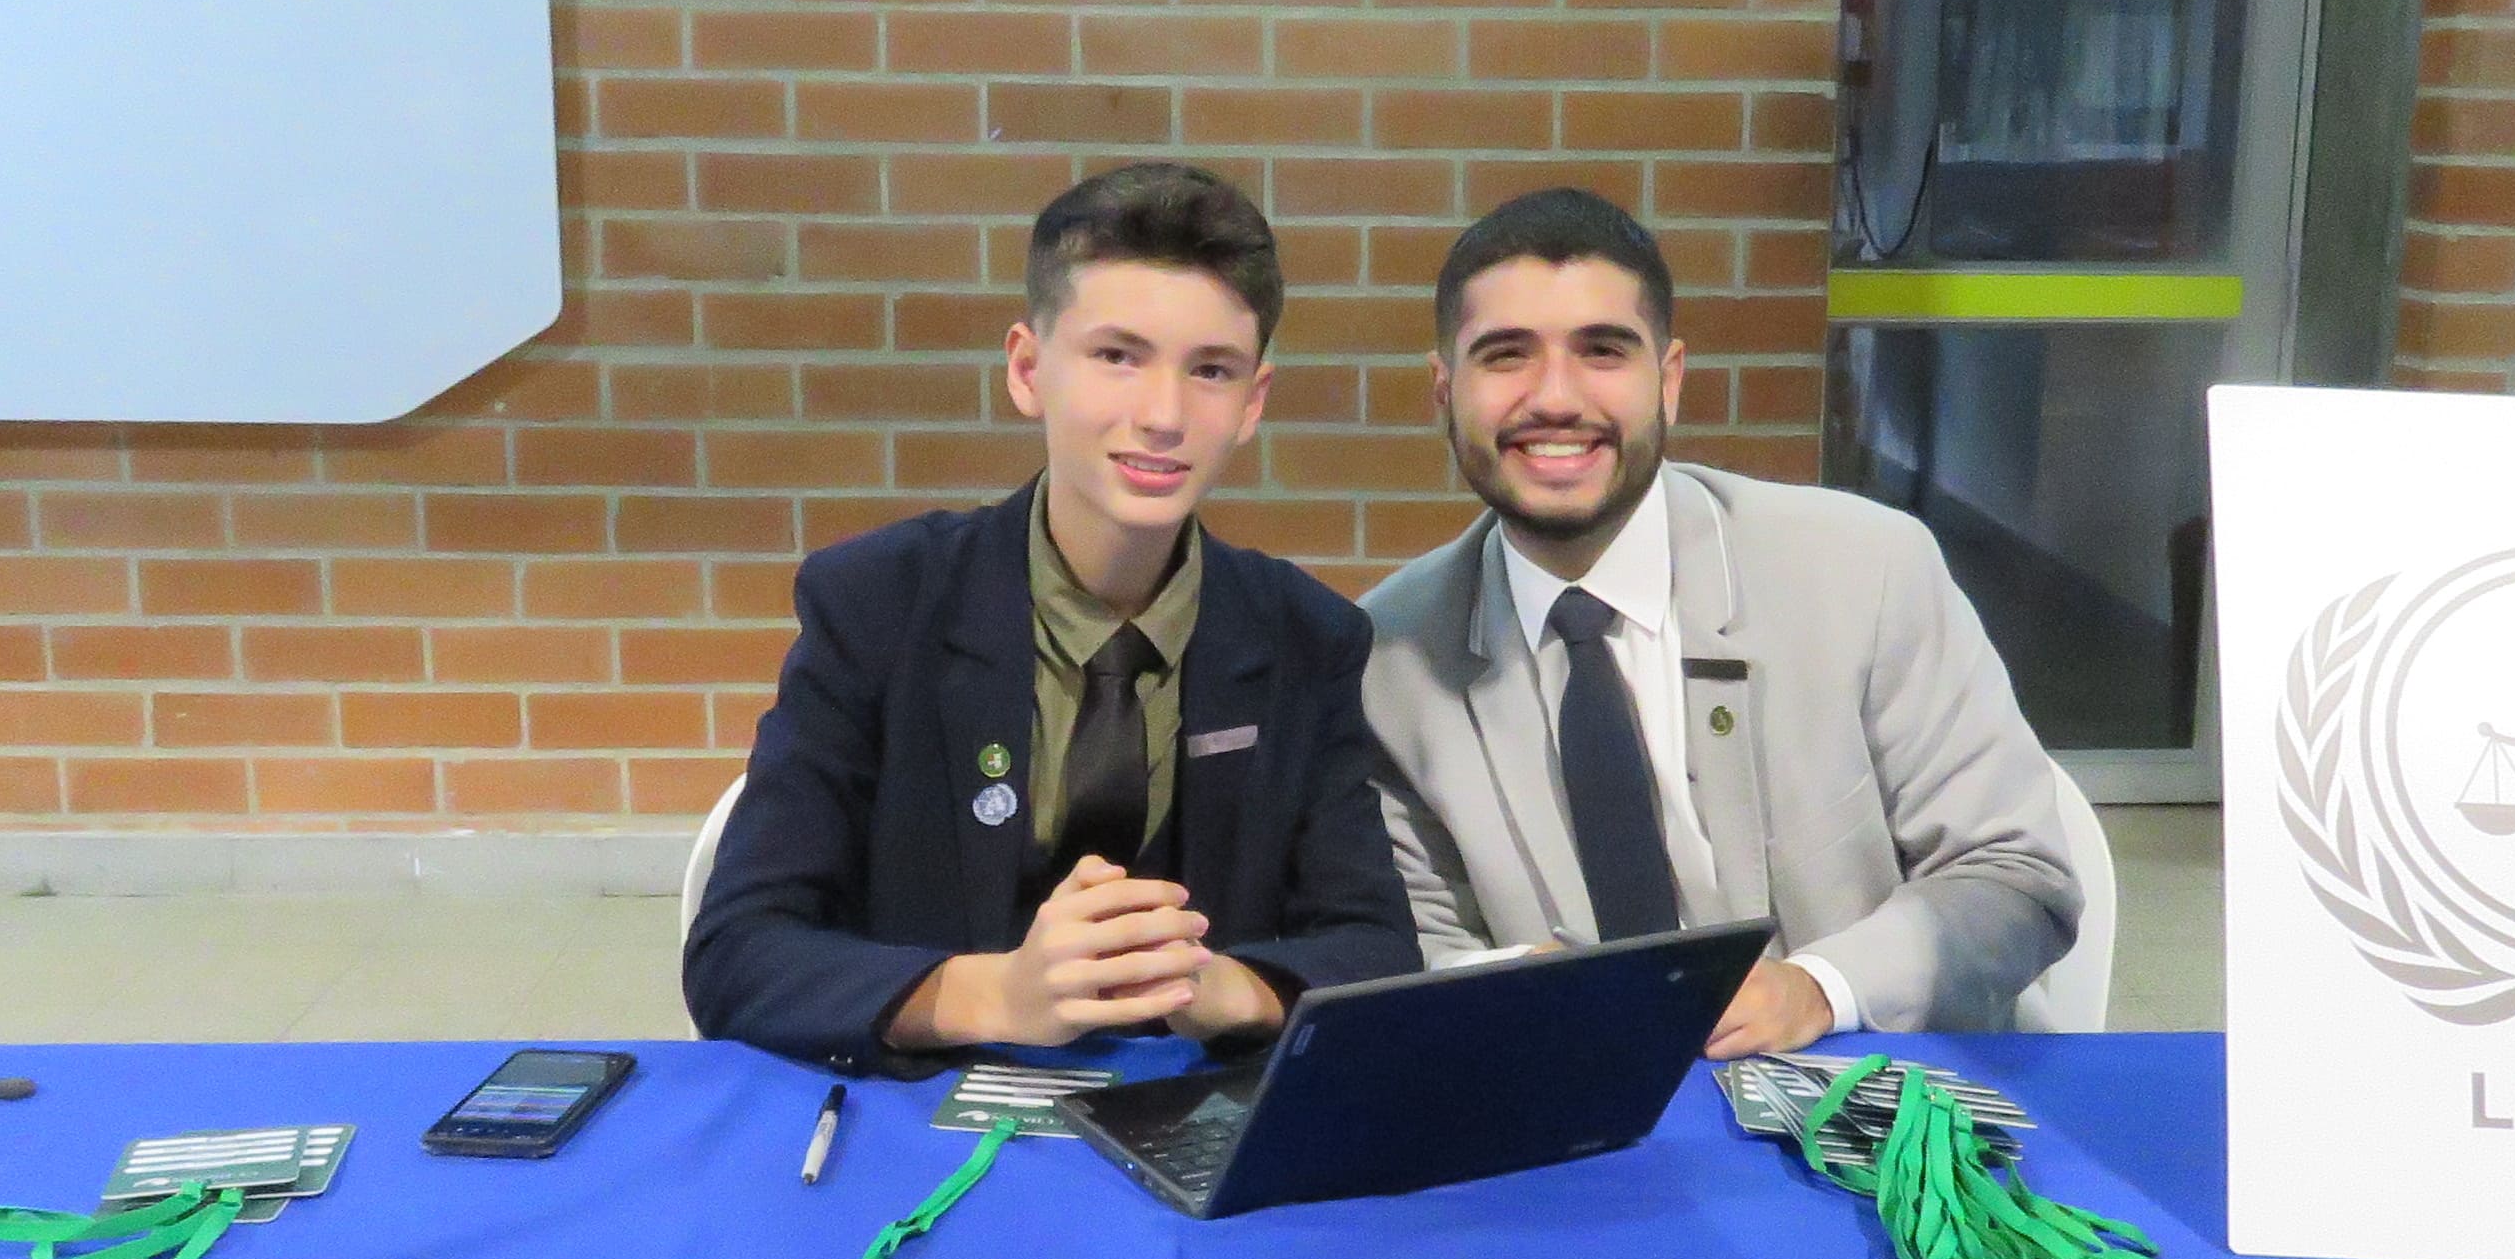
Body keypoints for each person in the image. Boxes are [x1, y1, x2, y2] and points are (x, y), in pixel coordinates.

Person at [685, 163, 1420, 1076]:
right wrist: (996, 994)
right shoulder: (877, 604)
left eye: (1211, 371)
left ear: (1253, 403)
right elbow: (737, 954)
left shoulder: (1307, 638)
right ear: (1029, 370)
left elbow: (1377, 949)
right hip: (930, 1105)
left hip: (1183, 1113)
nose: (1163, 415)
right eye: (1117, 356)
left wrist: (1224, 985)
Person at [1358, 188, 2078, 1057]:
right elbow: (1403, 946)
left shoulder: (1868, 569)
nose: (1555, 398)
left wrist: (1821, 988)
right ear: (1443, 391)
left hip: (1881, 1083)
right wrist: (1510, 985)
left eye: (1602, 351)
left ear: (1668, 381)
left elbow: (2016, 876)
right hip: (1581, 1095)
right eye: (1506, 355)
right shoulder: (1384, 658)